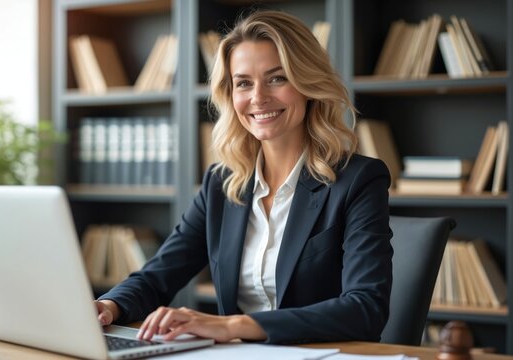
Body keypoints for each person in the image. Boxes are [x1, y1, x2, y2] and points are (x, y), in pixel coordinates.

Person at [95, 9, 393, 345]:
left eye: (277, 78)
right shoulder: (222, 183)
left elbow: (365, 309)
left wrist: (232, 326)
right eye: (243, 83)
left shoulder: (358, 180)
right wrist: (109, 305)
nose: (258, 97)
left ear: (308, 84)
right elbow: (157, 276)